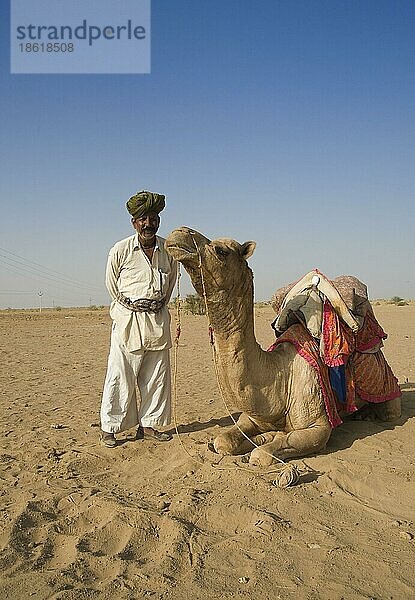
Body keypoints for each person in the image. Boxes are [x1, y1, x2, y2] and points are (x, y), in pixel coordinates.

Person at [100, 190, 177, 448]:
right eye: (143, 219)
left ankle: (150, 425)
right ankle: (110, 428)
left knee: (156, 375)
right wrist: (132, 306)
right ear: (134, 223)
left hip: (157, 320)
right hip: (127, 322)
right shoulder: (120, 250)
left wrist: (154, 305)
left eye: (153, 218)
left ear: (158, 221)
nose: (148, 224)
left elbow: (170, 285)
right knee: (120, 375)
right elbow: (112, 287)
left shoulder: (168, 250)